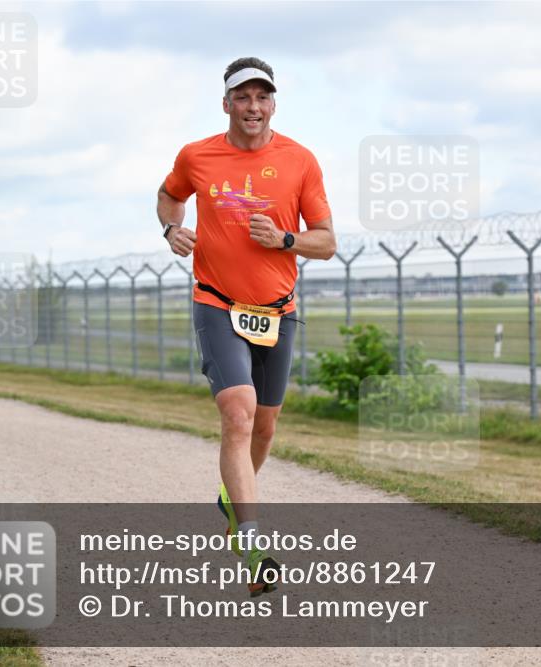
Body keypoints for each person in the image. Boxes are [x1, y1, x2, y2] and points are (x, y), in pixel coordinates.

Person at [157, 56, 336, 596]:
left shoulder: (300, 161)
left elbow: (326, 242)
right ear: (227, 103)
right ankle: (252, 540)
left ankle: (231, 497)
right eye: (242, 97)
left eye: (262, 97)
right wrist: (171, 230)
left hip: (277, 310)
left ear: (273, 103)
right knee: (239, 412)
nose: (252, 107)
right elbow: (169, 195)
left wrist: (284, 238)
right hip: (216, 301)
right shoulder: (198, 155)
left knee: (265, 426)